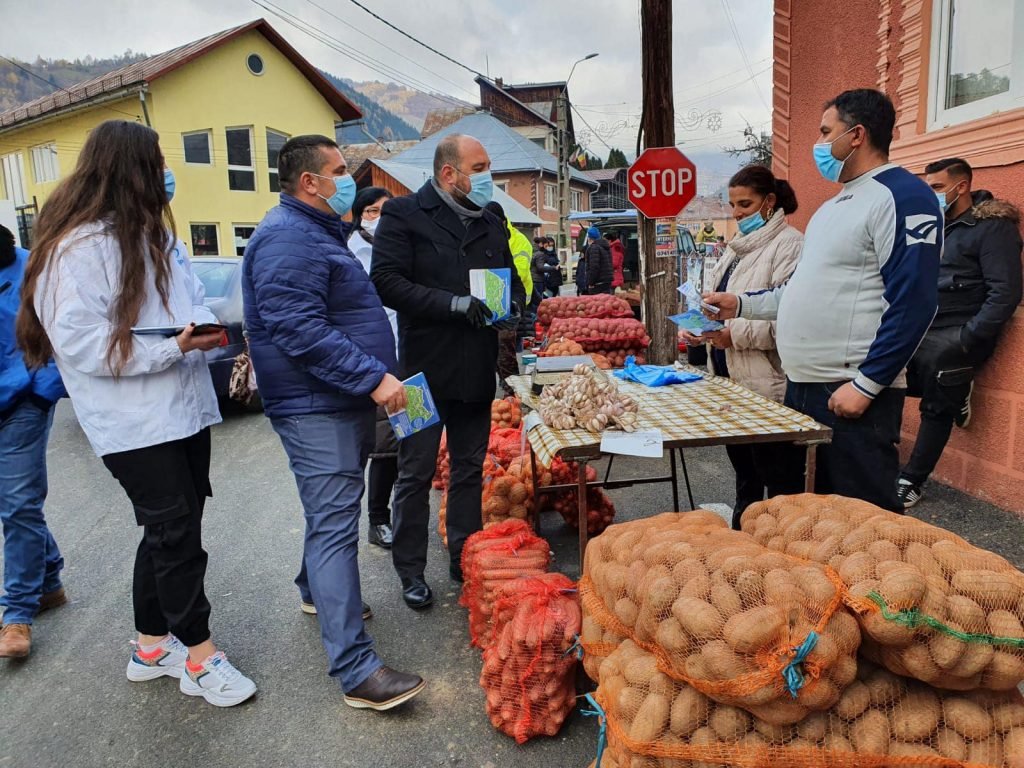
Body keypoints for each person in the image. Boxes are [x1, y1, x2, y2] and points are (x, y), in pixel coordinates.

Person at [17, 119, 256, 705]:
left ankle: (151, 647)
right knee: (176, 537)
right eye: (158, 162)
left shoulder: (157, 236)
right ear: (129, 169)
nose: (167, 173)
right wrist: (172, 347)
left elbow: (190, 300)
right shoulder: (76, 250)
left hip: (184, 410)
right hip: (133, 423)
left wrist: (201, 329)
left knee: (171, 530)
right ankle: (199, 657)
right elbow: (81, 346)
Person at [243, 135, 424, 711]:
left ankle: (311, 590)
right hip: (314, 404)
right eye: (340, 171)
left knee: (331, 510)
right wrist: (372, 377)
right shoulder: (287, 238)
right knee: (334, 525)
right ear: (310, 182)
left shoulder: (316, 231)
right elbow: (297, 328)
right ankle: (356, 670)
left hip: (334, 398)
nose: (349, 181)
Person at [703, 89, 942, 513]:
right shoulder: (832, 207)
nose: (818, 144)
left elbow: (915, 302)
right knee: (809, 519)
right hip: (803, 388)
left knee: (863, 520)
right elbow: (799, 291)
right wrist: (739, 304)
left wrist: (867, 385)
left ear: (857, 135)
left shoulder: (903, 195)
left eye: (826, 132)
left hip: (849, 389)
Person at [371, 133, 525, 605]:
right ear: (448, 173)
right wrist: (453, 304)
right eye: (479, 169)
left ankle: (465, 556)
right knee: (415, 472)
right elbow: (386, 282)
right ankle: (411, 571)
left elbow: (512, 282)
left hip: (474, 371)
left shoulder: (492, 219)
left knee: (468, 469)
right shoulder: (403, 214)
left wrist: (513, 307)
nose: (488, 177)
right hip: (420, 374)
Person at [677, 166, 804, 528]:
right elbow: (721, 307)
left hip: (768, 384)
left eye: (745, 204)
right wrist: (700, 327)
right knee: (746, 477)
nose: (737, 213)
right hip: (732, 382)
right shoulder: (736, 249)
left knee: (778, 483)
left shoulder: (791, 245)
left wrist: (734, 335)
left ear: (769, 201)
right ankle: (742, 540)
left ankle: (781, 544)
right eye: (732, 205)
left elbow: (789, 318)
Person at [897, 158, 1023, 507]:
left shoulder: (992, 227)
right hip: (919, 325)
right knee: (883, 380)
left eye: (937, 187)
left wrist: (966, 339)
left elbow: (1005, 292)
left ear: (962, 186)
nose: (931, 195)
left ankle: (911, 480)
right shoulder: (930, 224)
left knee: (937, 403)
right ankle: (880, 457)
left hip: (956, 333)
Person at [0, 225, 67, 659]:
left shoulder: (35, 268)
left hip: (21, 401)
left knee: (19, 504)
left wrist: (42, 391)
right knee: (12, 502)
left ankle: (16, 614)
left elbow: (65, 331)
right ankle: (49, 581)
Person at [350, 186, 399, 549]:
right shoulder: (351, 251)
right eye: (371, 210)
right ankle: (377, 519)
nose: (379, 217)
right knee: (384, 445)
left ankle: (402, 513)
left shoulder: (401, 247)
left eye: (386, 210)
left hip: (407, 355)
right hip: (372, 361)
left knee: (409, 439)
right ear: (359, 216)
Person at [485, 200, 532, 395]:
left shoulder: (519, 241)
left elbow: (518, 272)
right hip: (488, 304)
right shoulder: (485, 237)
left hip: (511, 303)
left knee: (505, 350)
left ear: (503, 222)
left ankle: (513, 393)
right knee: (491, 350)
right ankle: (504, 388)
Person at [584, 227, 613, 295]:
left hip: (597, 283)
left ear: (590, 238)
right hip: (606, 282)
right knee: (606, 300)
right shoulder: (605, 246)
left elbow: (594, 267)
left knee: (597, 301)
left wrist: (591, 282)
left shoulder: (594, 247)